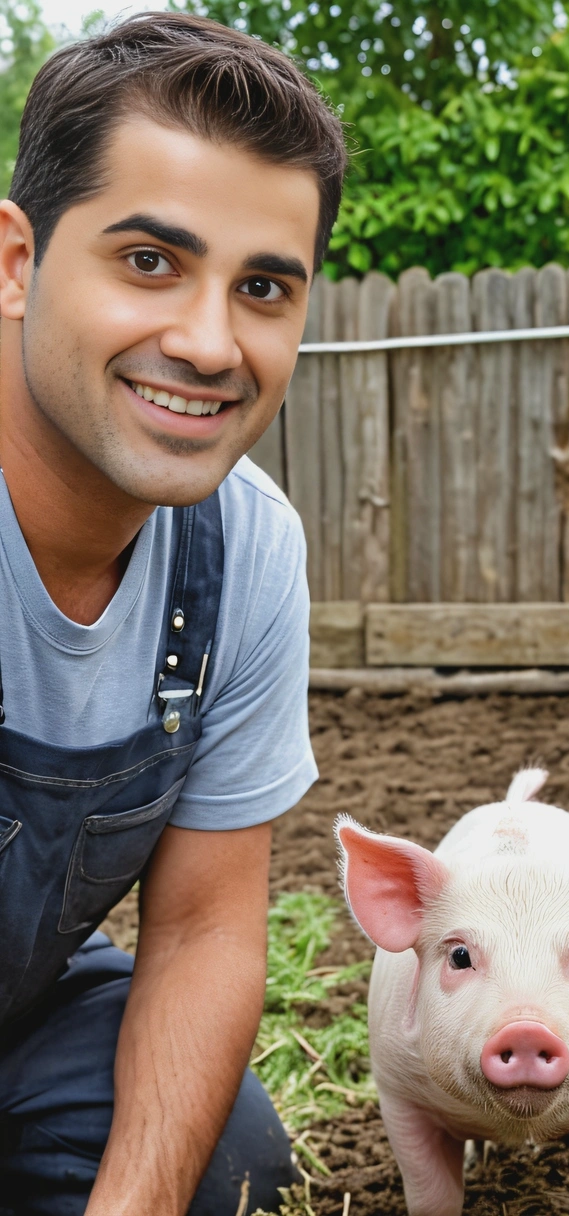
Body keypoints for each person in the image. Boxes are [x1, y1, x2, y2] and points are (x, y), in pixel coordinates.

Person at [0, 12, 346, 1215]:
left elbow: (202, 933)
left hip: (24, 1008)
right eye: (149, 261)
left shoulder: (245, 550)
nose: (208, 344)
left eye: (262, 288)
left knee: (222, 1161)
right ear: (15, 262)